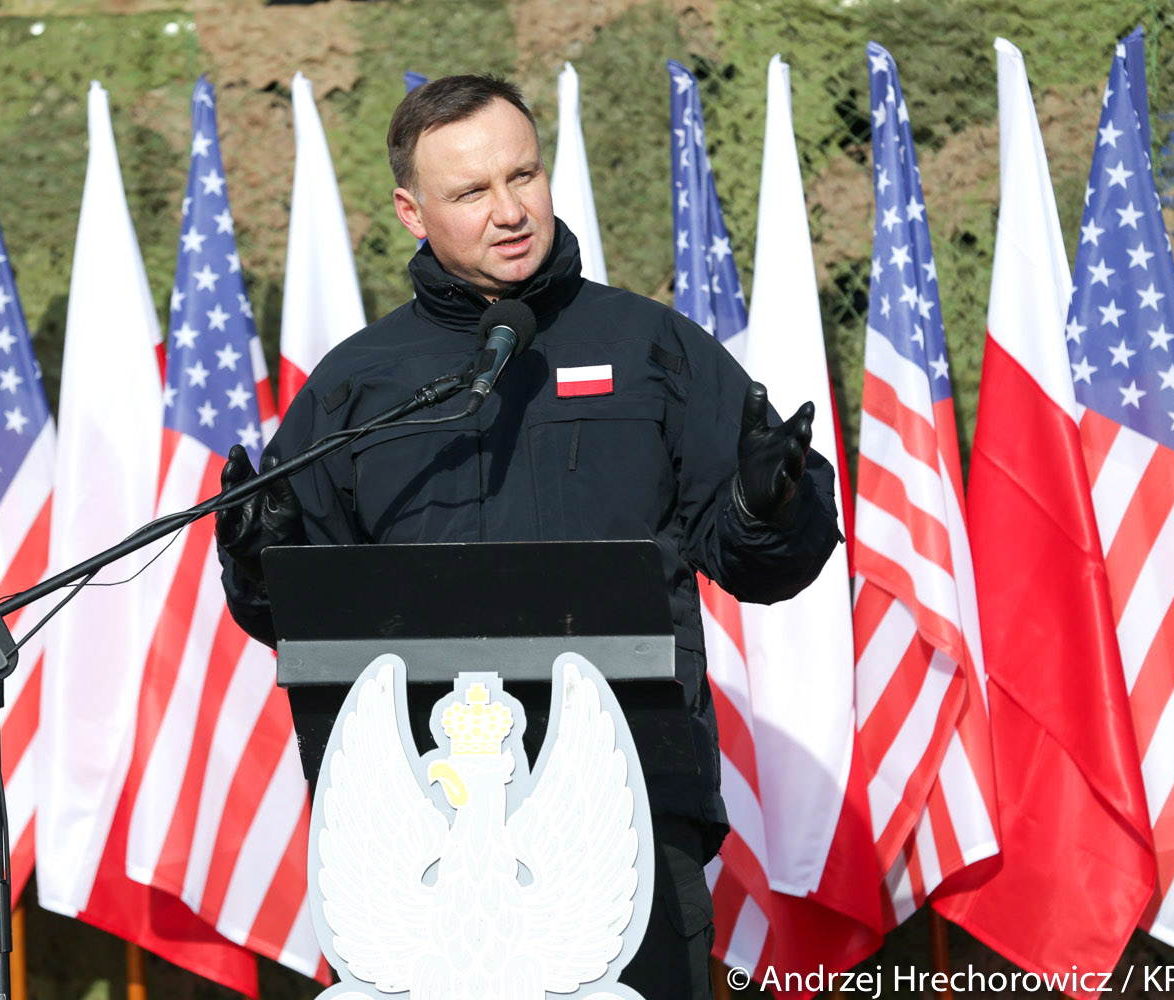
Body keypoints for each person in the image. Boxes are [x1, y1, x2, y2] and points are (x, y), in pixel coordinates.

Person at [215, 74, 840, 999]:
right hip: (416, 834)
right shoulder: (358, 384)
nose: (509, 212)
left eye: (523, 176)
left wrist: (770, 505)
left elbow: (765, 565)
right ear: (412, 211)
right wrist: (255, 556)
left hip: (628, 807)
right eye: (471, 191)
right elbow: (293, 615)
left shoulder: (651, 348)